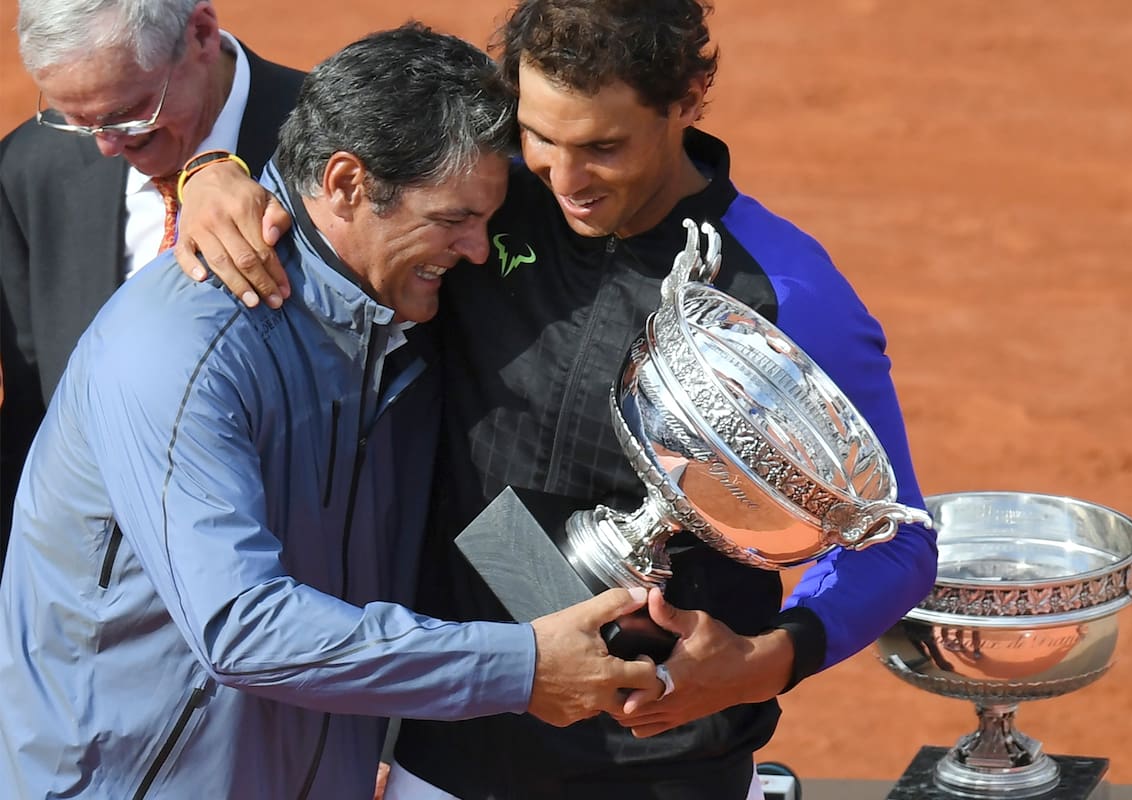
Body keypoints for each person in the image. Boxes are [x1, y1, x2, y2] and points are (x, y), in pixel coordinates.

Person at [176, 2, 939, 797]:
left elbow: (896, 537)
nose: (565, 180)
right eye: (540, 137)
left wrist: (761, 663)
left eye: (603, 147)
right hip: (445, 746)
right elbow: (343, 147)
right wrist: (214, 171)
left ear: (687, 100)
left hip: (658, 768)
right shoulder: (483, 193)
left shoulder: (782, 290)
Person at [0, 23, 661, 799]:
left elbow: (460, 499)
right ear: (346, 184)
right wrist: (522, 667)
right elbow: (241, 627)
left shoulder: (400, 313)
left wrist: (605, 638)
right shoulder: (181, 350)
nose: (481, 253)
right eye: (453, 222)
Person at [0, 0, 304, 570]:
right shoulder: (29, 168)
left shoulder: (337, 147)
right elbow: (32, 417)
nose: (107, 145)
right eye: (77, 117)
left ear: (202, 34)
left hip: (289, 575)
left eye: (131, 110)